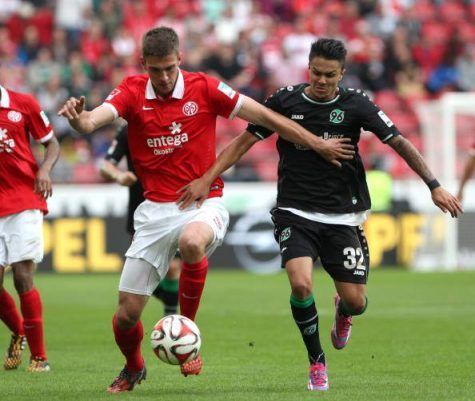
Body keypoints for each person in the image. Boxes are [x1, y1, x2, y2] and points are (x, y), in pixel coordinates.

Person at [57, 27, 354, 393]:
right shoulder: (131, 91)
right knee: (125, 316)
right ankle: (134, 367)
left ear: (180, 59)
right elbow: (91, 120)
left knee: (192, 242)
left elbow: (267, 117)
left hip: (203, 203)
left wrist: (317, 144)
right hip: (153, 212)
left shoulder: (206, 88)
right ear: (143, 65)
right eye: (155, 70)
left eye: (169, 68)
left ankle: (187, 332)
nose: (164, 78)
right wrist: (77, 120)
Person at [177, 38, 463, 392]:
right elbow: (244, 141)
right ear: (308, 67)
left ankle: (343, 311)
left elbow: (398, 141)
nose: (321, 80)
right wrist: (208, 178)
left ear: (342, 74)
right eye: (316, 72)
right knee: (301, 282)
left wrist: (434, 185)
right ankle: (316, 361)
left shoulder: (356, 104)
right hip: (294, 211)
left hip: (343, 215)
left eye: (330, 74)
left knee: (358, 303)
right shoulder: (285, 100)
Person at [0, 84, 59, 372]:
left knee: (23, 275)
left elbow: (52, 142)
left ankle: (39, 357)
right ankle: (19, 330)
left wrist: (44, 170)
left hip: (23, 198)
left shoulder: (22, 103)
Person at [100, 124, 180, 316]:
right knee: (141, 272)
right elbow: (106, 166)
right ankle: (168, 303)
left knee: (173, 267)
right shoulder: (128, 130)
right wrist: (119, 176)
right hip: (141, 210)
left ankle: (171, 321)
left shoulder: (177, 122)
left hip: (174, 206)